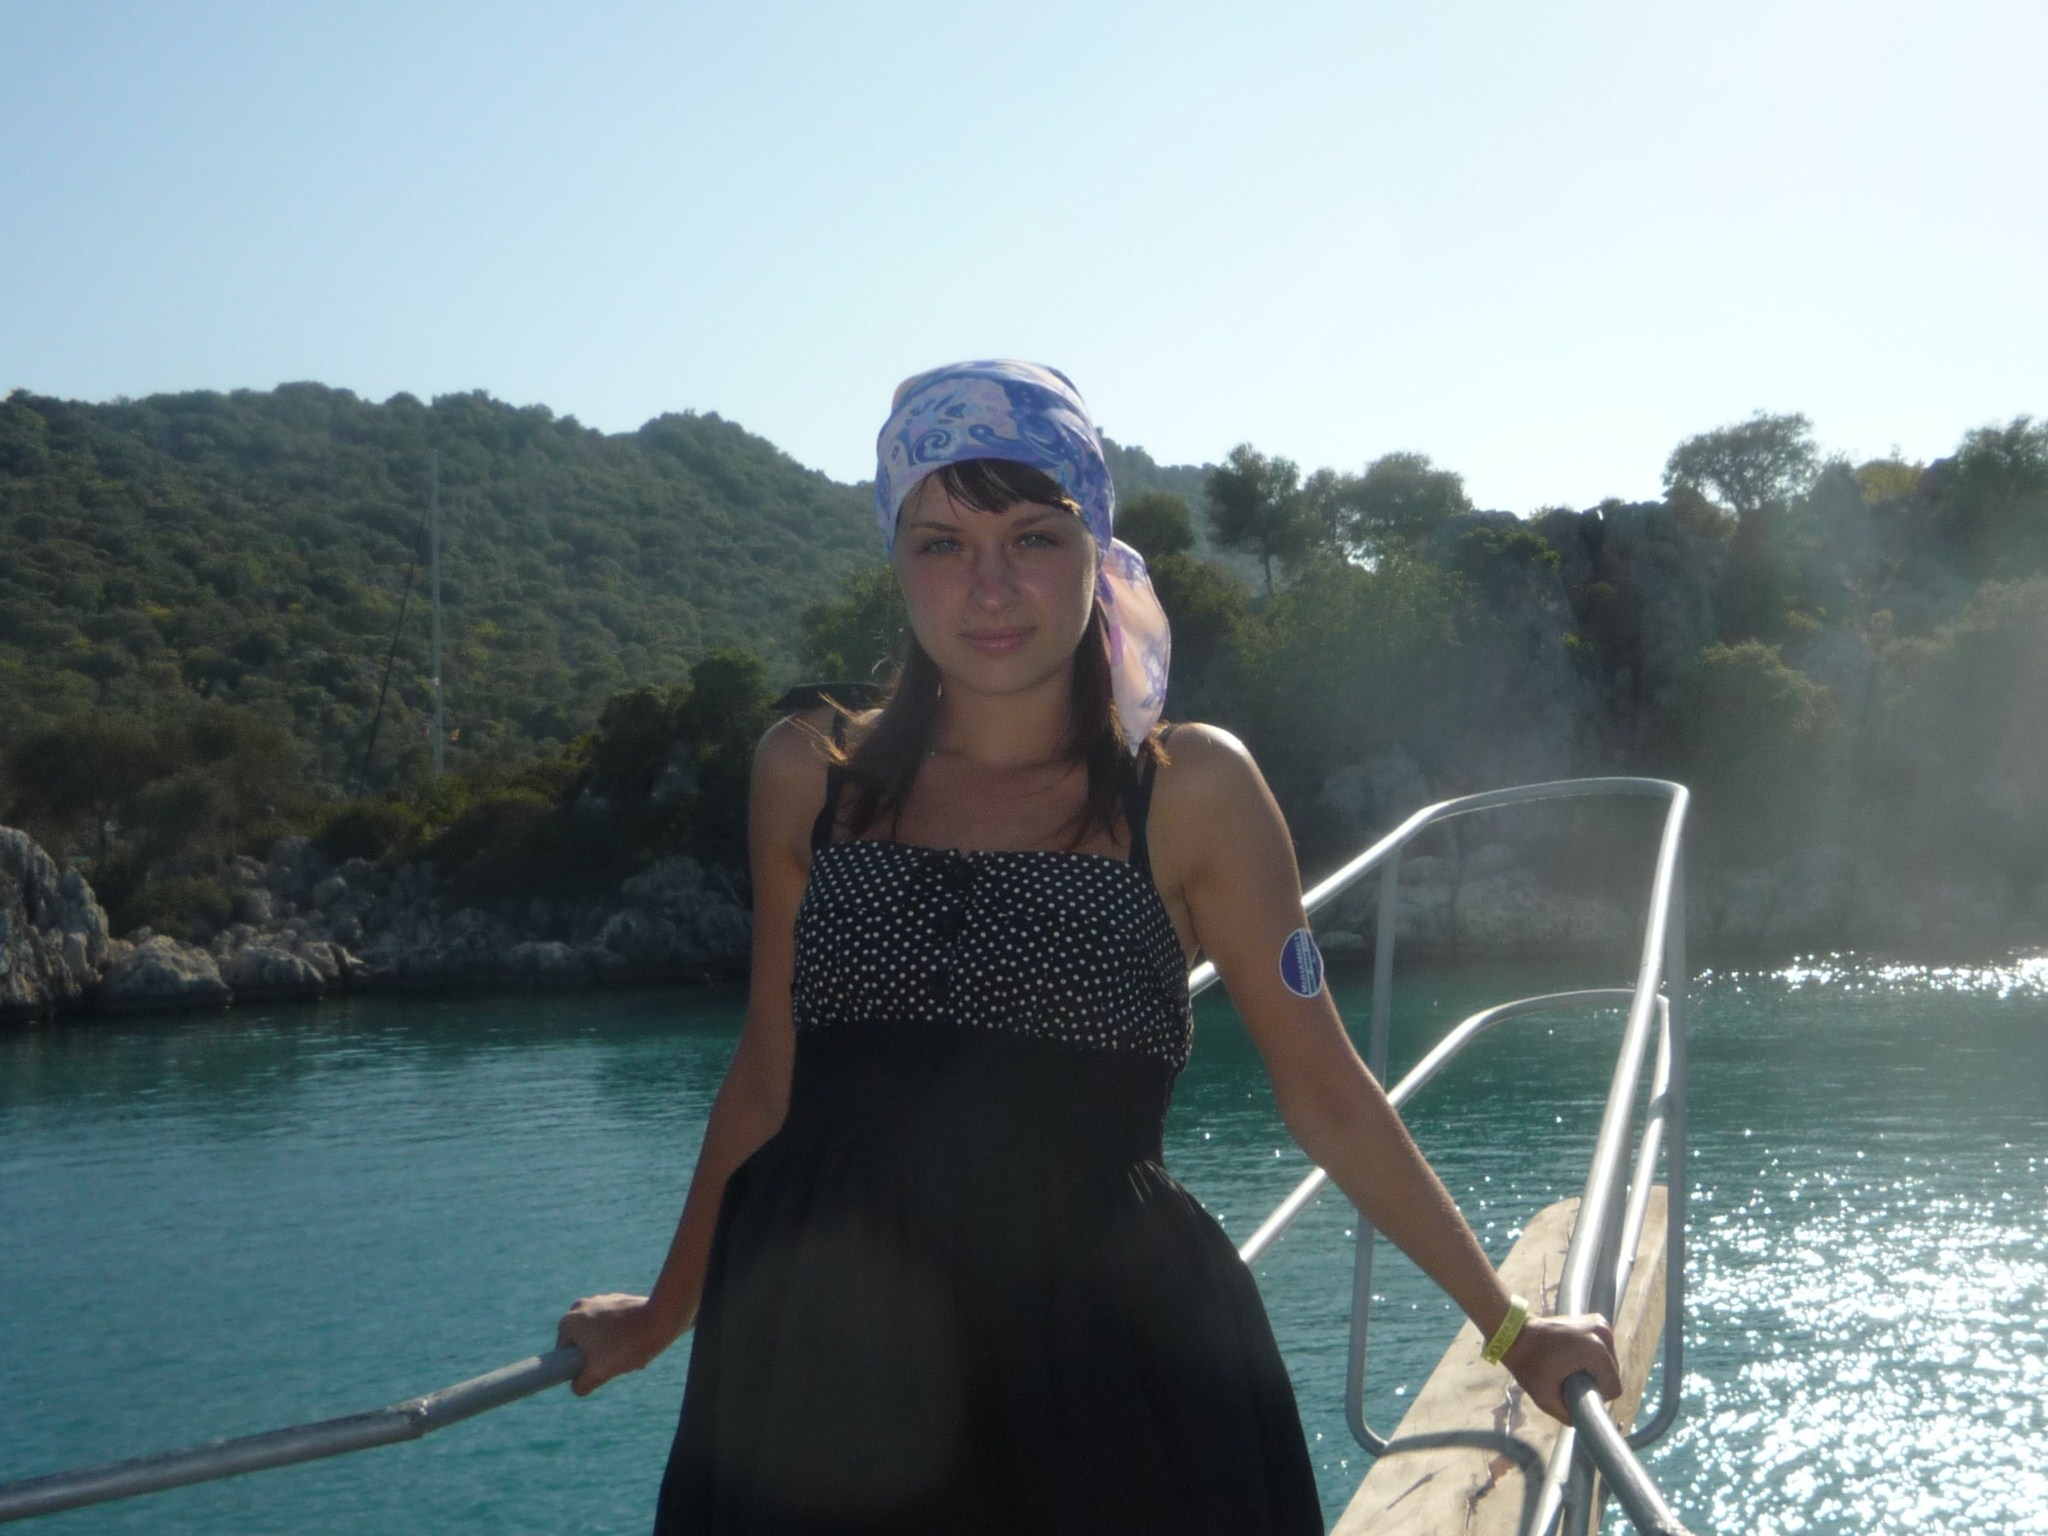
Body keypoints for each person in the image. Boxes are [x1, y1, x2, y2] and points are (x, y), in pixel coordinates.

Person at [559, 361, 1621, 1534]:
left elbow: (1325, 1092)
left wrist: (1509, 1329)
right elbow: (769, 1074)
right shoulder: (810, 776)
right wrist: (664, 1312)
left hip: (1099, 1370)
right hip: (816, 1362)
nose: (989, 586)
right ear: (895, 559)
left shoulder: (1187, 789)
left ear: (1094, 548)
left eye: (1031, 536)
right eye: (941, 543)